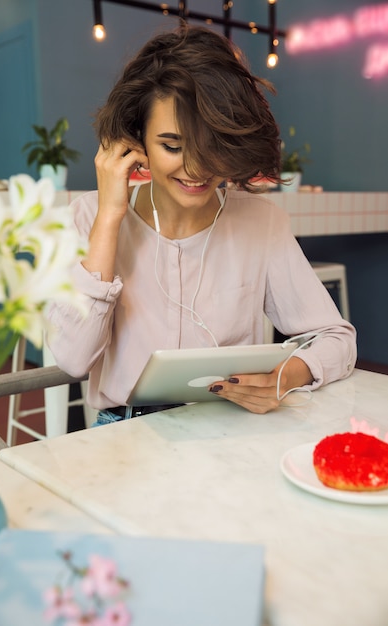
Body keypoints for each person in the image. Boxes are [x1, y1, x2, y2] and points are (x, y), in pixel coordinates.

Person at [46, 25, 356, 424]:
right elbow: (73, 360)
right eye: (172, 146)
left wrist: (286, 375)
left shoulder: (261, 222)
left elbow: (337, 338)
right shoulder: (90, 217)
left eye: (213, 146)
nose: (195, 168)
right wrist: (109, 218)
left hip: (232, 422)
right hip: (126, 431)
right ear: (135, 139)